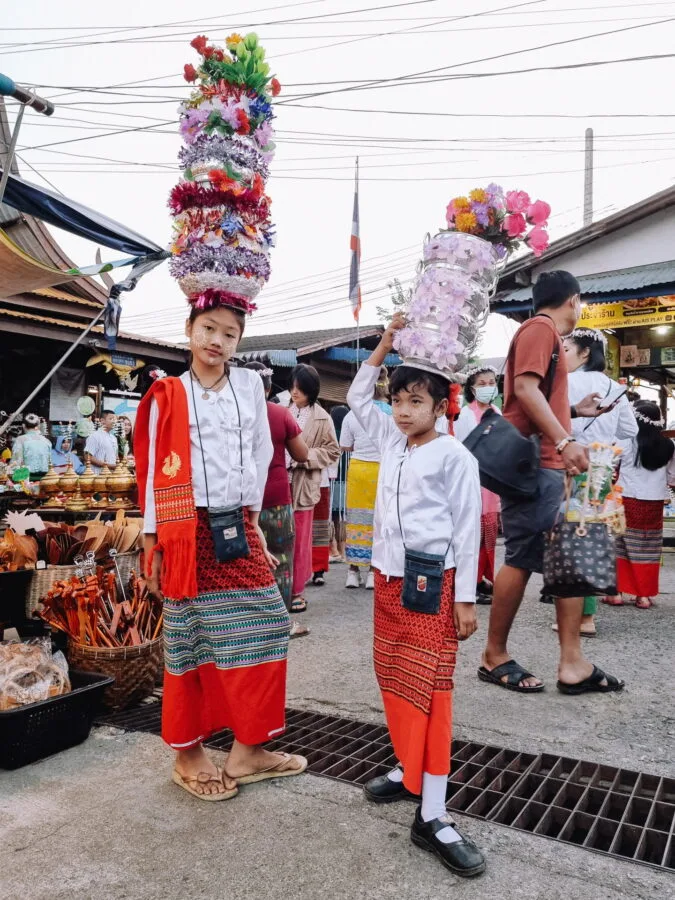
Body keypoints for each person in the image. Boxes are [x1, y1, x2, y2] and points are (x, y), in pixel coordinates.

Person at [136, 303, 306, 802]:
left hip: (236, 524)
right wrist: (152, 541)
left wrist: (253, 517)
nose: (217, 340)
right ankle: (188, 755)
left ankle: (247, 750)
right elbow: (154, 467)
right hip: (183, 529)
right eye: (208, 328)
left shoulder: (250, 386)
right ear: (188, 329)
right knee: (188, 636)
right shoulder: (168, 392)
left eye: (230, 334)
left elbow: (258, 452)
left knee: (268, 621)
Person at [350, 315, 485, 879]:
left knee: (432, 695)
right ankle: (408, 770)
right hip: (387, 583)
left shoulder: (455, 456)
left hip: (435, 588)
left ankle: (432, 813)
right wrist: (385, 343)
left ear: (440, 406)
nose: (403, 411)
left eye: (416, 401)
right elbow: (358, 396)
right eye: (398, 400)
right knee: (394, 681)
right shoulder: (391, 440)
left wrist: (465, 599)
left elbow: (468, 529)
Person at [478, 270, 624, 696]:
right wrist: (564, 440)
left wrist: (573, 412)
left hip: (545, 464)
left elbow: (535, 395)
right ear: (573, 300)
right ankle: (495, 655)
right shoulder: (540, 329)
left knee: (566, 558)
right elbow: (524, 389)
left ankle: (572, 661)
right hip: (537, 465)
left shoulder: (541, 334)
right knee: (523, 558)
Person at [560, 328, 638, 630]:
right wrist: (606, 436)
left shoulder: (566, 382)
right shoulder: (614, 387)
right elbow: (630, 430)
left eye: (567, 349)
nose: (562, 355)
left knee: (570, 540)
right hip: (602, 469)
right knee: (594, 539)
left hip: (570, 466)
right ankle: (588, 615)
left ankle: (575, 616)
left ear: (584, 353)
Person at [245, 361, 310, 638]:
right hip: (276, 500)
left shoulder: (235, 415)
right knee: (281, 562)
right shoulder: (280, 414)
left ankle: (249, 624)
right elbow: (302, 454)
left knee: (246, 563)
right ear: (269, 387)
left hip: (241, 501)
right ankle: (281, 625)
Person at [288, 364, 340, 613]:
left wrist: (304, 457)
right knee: (278, 538)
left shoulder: (322, 417)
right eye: (293, 386)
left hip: (304, 485)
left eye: (300, 387)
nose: (294, 391)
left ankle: (297, 590)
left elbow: (333, 451)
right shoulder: (282, 410)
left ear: (311, 389)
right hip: (279, 482)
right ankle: (278, 589)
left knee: (300, 540)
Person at [614, 400, 675, 609]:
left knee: (620, 543)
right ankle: (643, 596)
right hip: (654, 503)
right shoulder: (669, 446)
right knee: (648, 547)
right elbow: (672, 478)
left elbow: (611, 464)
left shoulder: (626, 441)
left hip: (626, 498)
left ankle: (616, 593)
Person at [454, 366, 502, 603]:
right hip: (474, 477)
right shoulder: (466, 414)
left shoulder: (497, 411)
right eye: (482, 384)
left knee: (488, 533)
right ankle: (470, 583)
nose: (488, 387)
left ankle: (483, 579)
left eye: (491, 383)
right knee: (473, 533)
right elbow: (462, 448)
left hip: (492, 480)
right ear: (472, 389)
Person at [341, 368, 392, 590]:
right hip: (383, 469)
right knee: (378, 519)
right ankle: (373, 571)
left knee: (356, 519)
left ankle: (353, 571)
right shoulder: (391, 412)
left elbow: (345, 445)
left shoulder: (352, 414)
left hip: (358, 470)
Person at [329, 405, 349, 564]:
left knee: (332, 516)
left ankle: (333, 548)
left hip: (331, 481)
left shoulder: (331, 435)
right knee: (343, 517)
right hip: (346, 481)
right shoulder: (347, 437)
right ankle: (343, 551)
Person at [11, 414, 51, 480]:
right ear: (38, 426)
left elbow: (16, 463)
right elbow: (49, 464)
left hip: (26, 478)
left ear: (23, 426)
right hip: (45, 479)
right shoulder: (47, 441)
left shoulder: (20, 440)